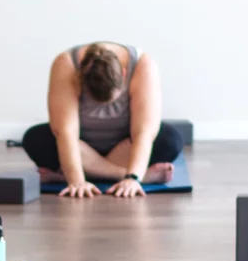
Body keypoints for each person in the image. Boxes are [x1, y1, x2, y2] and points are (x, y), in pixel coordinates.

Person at [22, 42, 184, 199]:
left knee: (170, 140)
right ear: (79, 79)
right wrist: (76, 181)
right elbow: (66, 132)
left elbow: (144, 133)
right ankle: (129, 175)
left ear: (123, 73)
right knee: (36, 139)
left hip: (124, 146)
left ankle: (73, 174)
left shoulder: (142, 65)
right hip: (82, 147)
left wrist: (133, 179)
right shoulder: (66, 64)